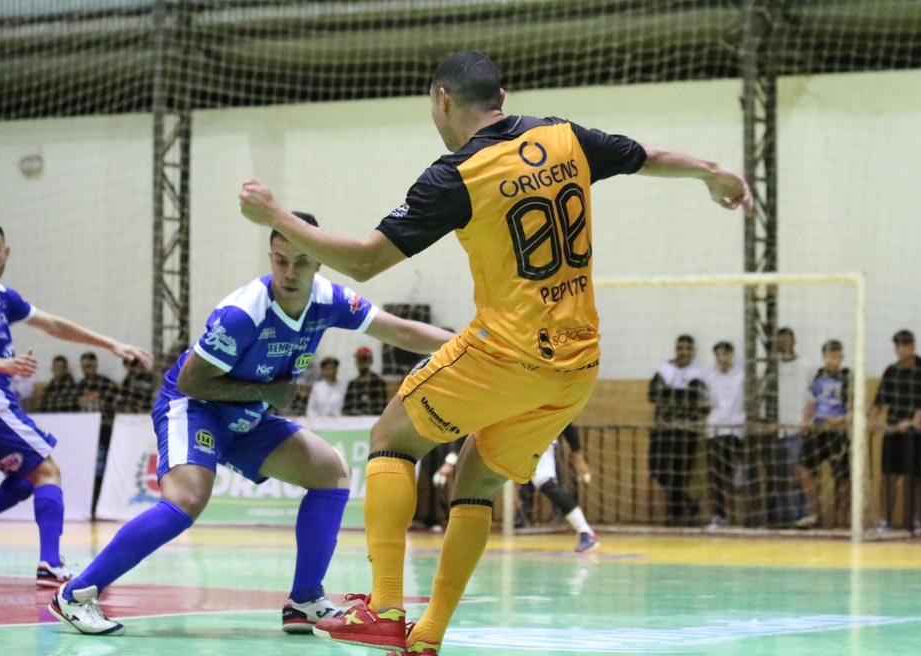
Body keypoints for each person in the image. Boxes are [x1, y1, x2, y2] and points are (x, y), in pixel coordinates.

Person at [238, 51, 751, 656]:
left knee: (392, 440)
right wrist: (713, 172)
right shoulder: (565, 138)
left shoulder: (456, 174)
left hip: (506, 352)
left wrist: (274, 216)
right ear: (501, 96)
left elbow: (364, 260)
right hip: (577, 365)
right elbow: (649, 156)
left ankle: (384, 609)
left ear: (443, 100)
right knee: (475, 482)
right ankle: (426, 635)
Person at [48, 211, 453, 636]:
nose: (289, 272)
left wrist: (470, 341)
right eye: (280, 260)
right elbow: (191, 380)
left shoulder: (331, 301)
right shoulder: (243, 313)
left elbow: (401, 332)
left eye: (300, 261)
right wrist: (264, 395)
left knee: (330, 472)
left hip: (248, 414)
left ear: (319, 261)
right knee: (187, 500)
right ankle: (76, 594)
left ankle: (305, 600)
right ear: (271, 257)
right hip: (194, 406)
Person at [0, 222, 151, 584]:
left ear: (6, 252)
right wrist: (1, 365)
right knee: (47, 471)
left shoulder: (4, 298)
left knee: (28, 478)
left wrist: (110, 344)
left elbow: (55, 325)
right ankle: (50, 563)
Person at [869, 329, 921, 537]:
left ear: (913, 347)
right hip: (894, 431)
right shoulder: (891, 371)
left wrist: (913, 423)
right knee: (888, 475)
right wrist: (870, 420)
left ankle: (917, 521)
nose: (902, 349)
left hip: (919, 433)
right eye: (898, 346)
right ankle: (885, 521)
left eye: (907, 345)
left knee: (918, 477)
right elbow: (879, 401)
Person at [648, 335, 708, 527]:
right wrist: (680, 394)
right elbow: (653, 394)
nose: (683, 352)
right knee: (658, 469)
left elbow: (694, 398)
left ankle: (677, 515)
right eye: (680, 348)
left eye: (687, 349)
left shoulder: (697, 373)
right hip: (663, 430)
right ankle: (688, 505)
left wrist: (669, 393)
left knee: (681, 473)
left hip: (685, 431)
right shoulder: (664, 370)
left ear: (693, 352)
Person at [795, 339, 851, 529]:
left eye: (836, 356)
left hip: (837, 432)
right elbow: (812, 401)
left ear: (842, 357)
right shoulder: (818, 376)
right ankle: (813, 513)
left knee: (843, 476)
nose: (832, 360)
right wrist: (805, 420)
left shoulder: (848, 377)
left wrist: (841, 420)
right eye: (828, 356)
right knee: (804, 467)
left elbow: (855, 408)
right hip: (818, 430)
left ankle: (842, 519)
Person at [766, 327, 815, 526]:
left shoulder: (806, 365)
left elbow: (813, 396)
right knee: (778, 473)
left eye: (787, 339)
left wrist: (806, 420)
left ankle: (802, 514)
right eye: (780, 340)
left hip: (798, 428)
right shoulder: (770, 367)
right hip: (777, 429)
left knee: (797, 472)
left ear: (794, 341)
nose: (784, 343)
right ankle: (782, 516)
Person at [529, 423, 600, 551]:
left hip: (538, 444)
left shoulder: (548, 405)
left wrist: (579, 459)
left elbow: (568, 426)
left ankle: (585, 532)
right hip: (520, 443)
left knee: (546, 483)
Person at [704, 342, 745, 531]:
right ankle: (719, 516)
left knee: (729, 473)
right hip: (716, 430)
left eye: (725, 355)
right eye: (718, 355)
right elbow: (710, 403)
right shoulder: (711, 377)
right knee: (717, 475)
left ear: (732, 355)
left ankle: (738, 469)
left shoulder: (742, 376)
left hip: (736, 429)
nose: (722, 359)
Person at [75, 351, 119, 508]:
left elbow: (115, 405)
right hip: (84, 433)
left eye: (90, 365)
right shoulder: (78, 386)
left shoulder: (106, 384)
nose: (87, 368)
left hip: (103, 430)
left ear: (96, 365)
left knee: (101, 467)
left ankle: (100, 502)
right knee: (87, 468)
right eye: (84, 366)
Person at [342, 346, 388, 416]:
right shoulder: (352, 384)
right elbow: (346, 408)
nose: (361, 362)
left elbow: (381, 407)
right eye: (359, 359)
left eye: (364, 359)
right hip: (353, 421)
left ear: (370, 361)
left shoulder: (378, 382)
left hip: (372, 420)